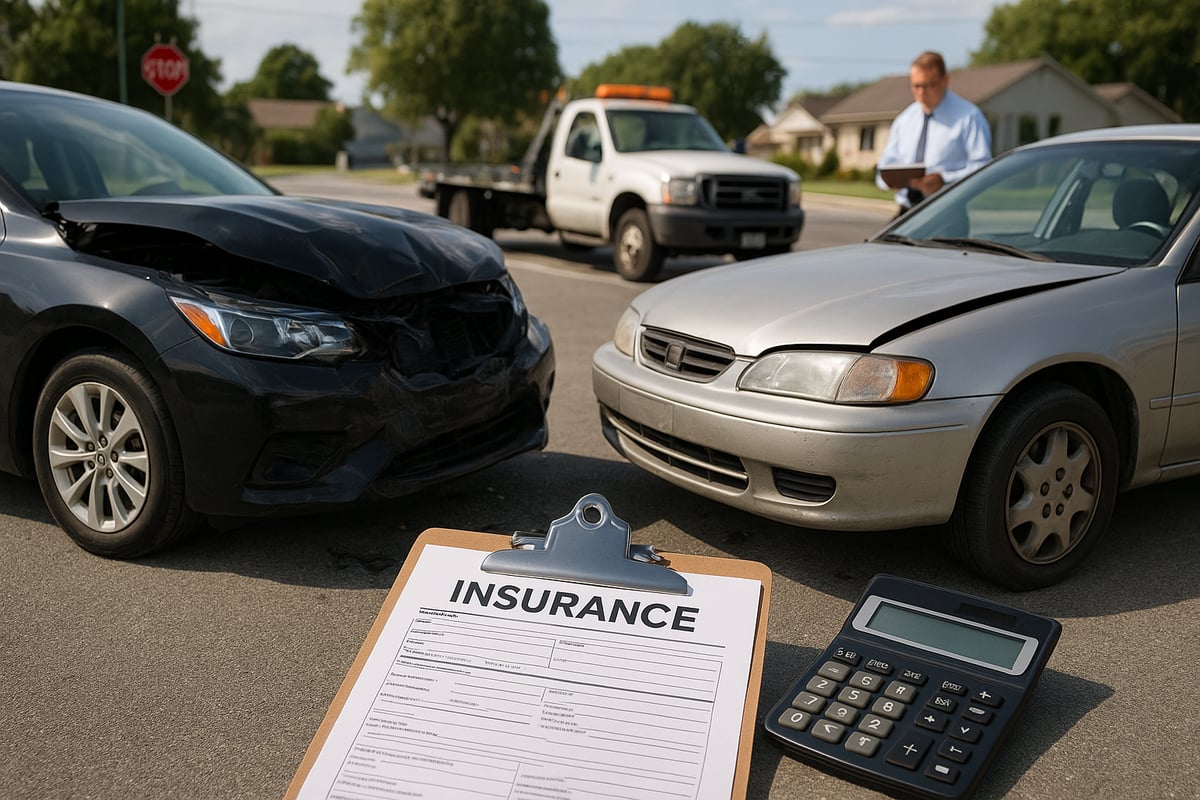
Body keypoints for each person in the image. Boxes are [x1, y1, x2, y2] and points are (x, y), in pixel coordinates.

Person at [876, 51, 992, 216]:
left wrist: (944, 180)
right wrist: (888, 181)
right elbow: (884, 166)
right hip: (906, 212)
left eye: (929, 85)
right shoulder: (904, 120)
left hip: (946, 213)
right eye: (916, 86)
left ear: (945, 80)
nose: (922, 93)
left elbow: (983, 169)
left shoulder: (969, 117)